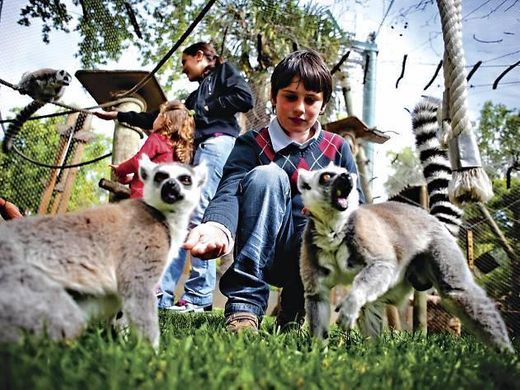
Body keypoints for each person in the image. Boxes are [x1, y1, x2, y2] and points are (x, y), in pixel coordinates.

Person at [183, 49, 365, 332]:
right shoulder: (251, 143)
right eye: (290, 97)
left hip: (312, 256)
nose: (300, 108)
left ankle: (293, 308)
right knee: (268, 175)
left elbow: (357, 206)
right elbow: (230, 187)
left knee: (322, 211)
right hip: (260, 248)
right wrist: (217, 225)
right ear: (273, 96)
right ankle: (244, 307)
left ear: (324, 104)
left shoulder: (337, 147)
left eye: (311, 100)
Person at [95, 42, 254, 312]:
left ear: (200, 56)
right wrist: (120, 115)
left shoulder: (223, 73)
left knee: (202, 214)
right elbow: (159, 118)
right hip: (200, 151)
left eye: (185, 62)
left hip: (218, 144)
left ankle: (199, 296)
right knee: (183, 220)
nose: (183, 69)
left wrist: (203, 110)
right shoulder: (193, 97)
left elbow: (244, 98)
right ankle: (164, 295)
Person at [103, 100, 195, 199]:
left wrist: (120, 169)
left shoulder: (157, 138)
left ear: (164, 120)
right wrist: (131, 179)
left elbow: (138, 162)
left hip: (143, 196)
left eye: (158, 116)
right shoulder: (181, 150)